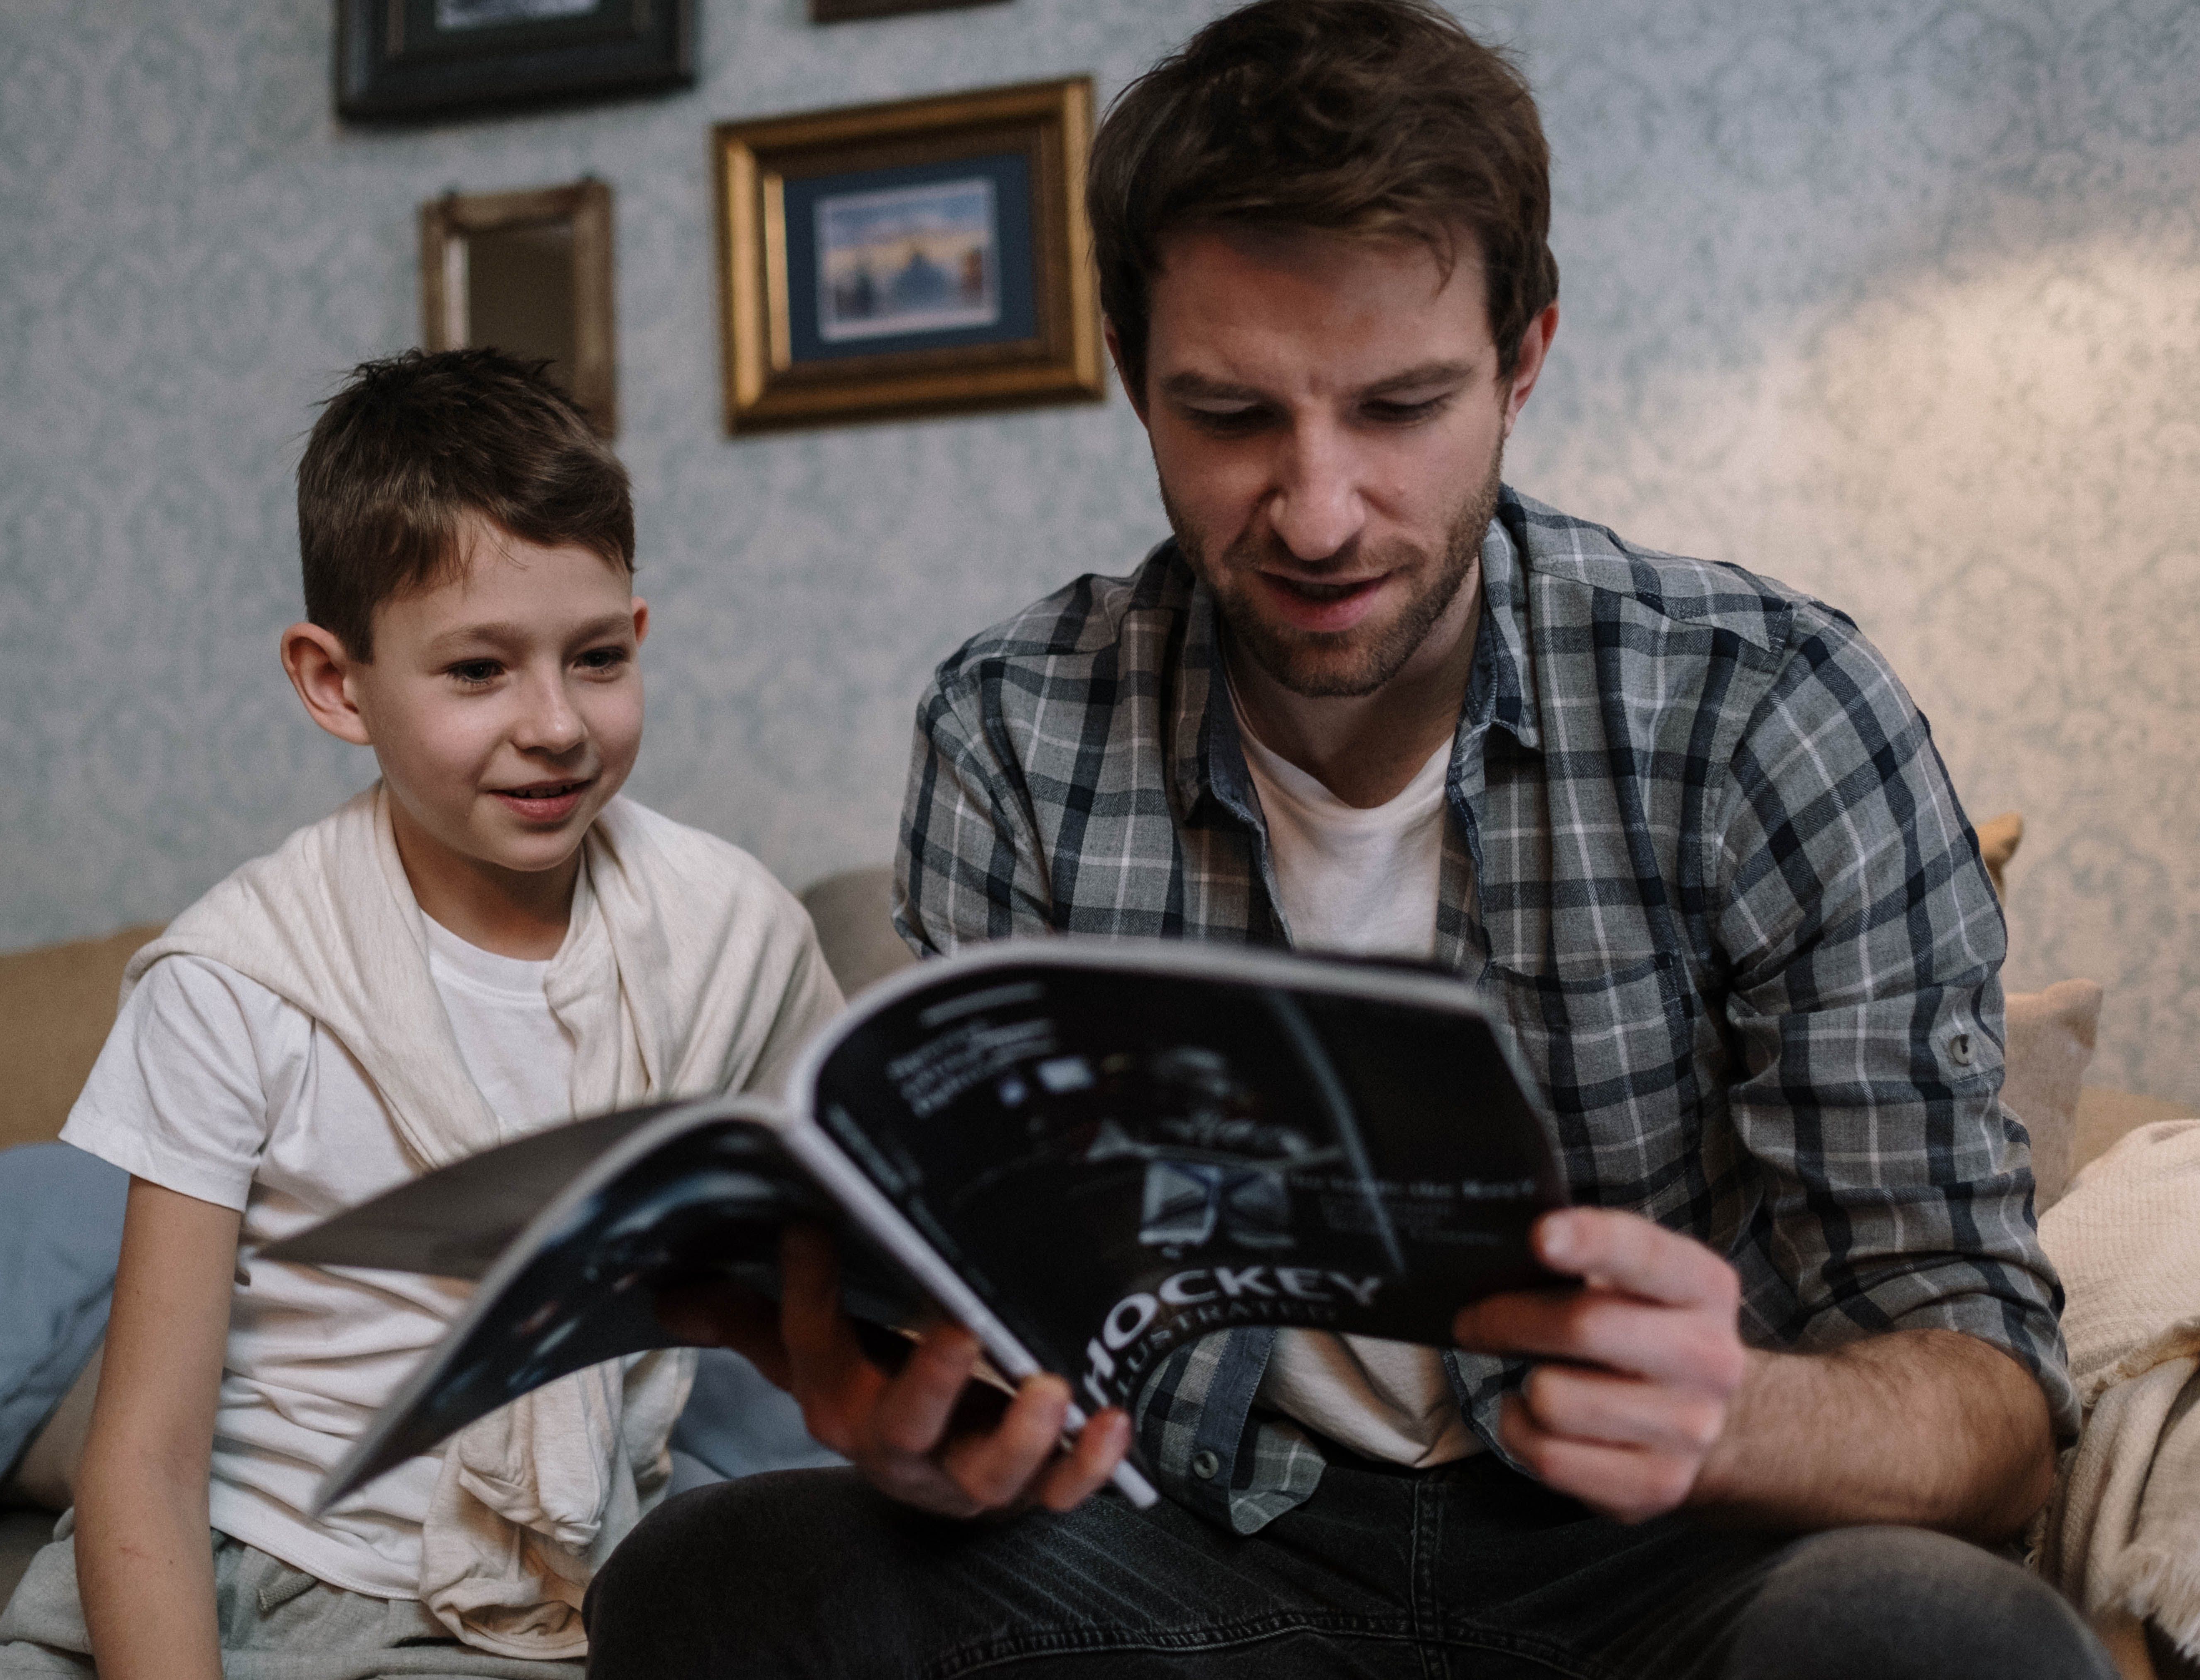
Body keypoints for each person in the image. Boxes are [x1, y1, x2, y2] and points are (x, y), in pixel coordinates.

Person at [589, 3, 2110, 1675]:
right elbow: (1013, 1319)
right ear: (1129, 372)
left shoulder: (1767, 712)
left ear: (1523, 357)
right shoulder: (1015, 729)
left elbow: (1988, 1410)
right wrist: (925, 1424)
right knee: (718, 1579)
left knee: (1943, 1636)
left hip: (1663, 1568)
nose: (1316, 514)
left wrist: (1749, 1417)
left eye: (1399, 407)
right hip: (1210, 1572)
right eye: (1232, 416)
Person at [0, 349, 841, 1680]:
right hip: (236, 1570)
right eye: (478, 671)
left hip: (526, 1613)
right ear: (335, 681)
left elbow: (854, 1229)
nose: (555, 723)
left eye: (594, 658)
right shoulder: (236, 977)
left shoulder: (735, 934)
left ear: (637, 637)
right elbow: (145, 1452)